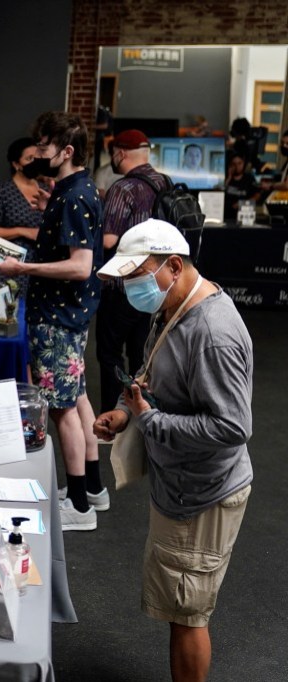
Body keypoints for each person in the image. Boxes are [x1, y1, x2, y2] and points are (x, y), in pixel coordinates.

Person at [93, 219, 252, 682]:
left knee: (188, 614)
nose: (129, 288)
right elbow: (156, 374)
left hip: (202, 495)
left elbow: (232, 426)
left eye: (136, 276)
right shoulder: (174, 307)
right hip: (182, 488)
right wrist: (127, 412)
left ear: (174, 266)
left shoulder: (213, 333)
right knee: (181, 605)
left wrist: (149, 420)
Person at [0, 111, 104, 532]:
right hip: (67, 314)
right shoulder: (71, 190)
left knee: (62, 411)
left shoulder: (75, 195)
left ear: (67, 151)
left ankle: (79, 506)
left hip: (58, 316)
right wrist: (49, 211)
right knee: (76, 400)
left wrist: (23, 270)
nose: (38, 153)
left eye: (44, 146)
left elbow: (79, 267)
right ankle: (91, 488)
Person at [96, 129, 165, 417]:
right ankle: (142, 412)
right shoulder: (165, 183)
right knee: (142, 356)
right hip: (158, 285)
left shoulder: (122, 188)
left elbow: (109, 241)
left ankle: (113, 415)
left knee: (110, 354)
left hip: (123, 287)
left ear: (120, 153)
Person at [0, 137, 43, 297]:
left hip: (38, 265)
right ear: (16, 164)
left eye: (37, 157)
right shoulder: (3, 192)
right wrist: (23, 231)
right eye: (29, 158)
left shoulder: (45, 190)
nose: (35, 162)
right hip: (6, 264)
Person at [224, 152, 261, 222]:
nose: (237, 166)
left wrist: (243, 203)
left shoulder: (250, 179)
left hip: (244, 217)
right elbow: (218, 193)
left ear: (244, 164)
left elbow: (257, 195)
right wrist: (228, 178)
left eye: (239, 163)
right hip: (226, 216)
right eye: (234, 164)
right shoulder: (226, 178)